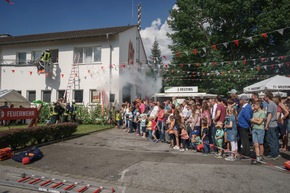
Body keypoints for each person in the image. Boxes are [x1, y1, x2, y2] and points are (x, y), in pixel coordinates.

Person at [264, 92, 280, 160]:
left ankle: (273, 154)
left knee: (271, 140)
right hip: (275, 124)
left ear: (267, 97)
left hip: (271, 124)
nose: (264, 97)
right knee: (275, 139)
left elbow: (270, 115)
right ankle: (276, 153)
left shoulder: (270, 104)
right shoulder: (274, 104)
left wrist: (266, 125)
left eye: (265, 96)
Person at [238, 95, 253, 159]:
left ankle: (246, 154)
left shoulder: (246, 107)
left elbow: (248, 117)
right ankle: (244, 152)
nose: (239, 101)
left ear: (243, 100)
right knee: (243, 140)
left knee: (245, 140)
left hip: (244, 126)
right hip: (242, 125)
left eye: (240, 100)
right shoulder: (245, 107)